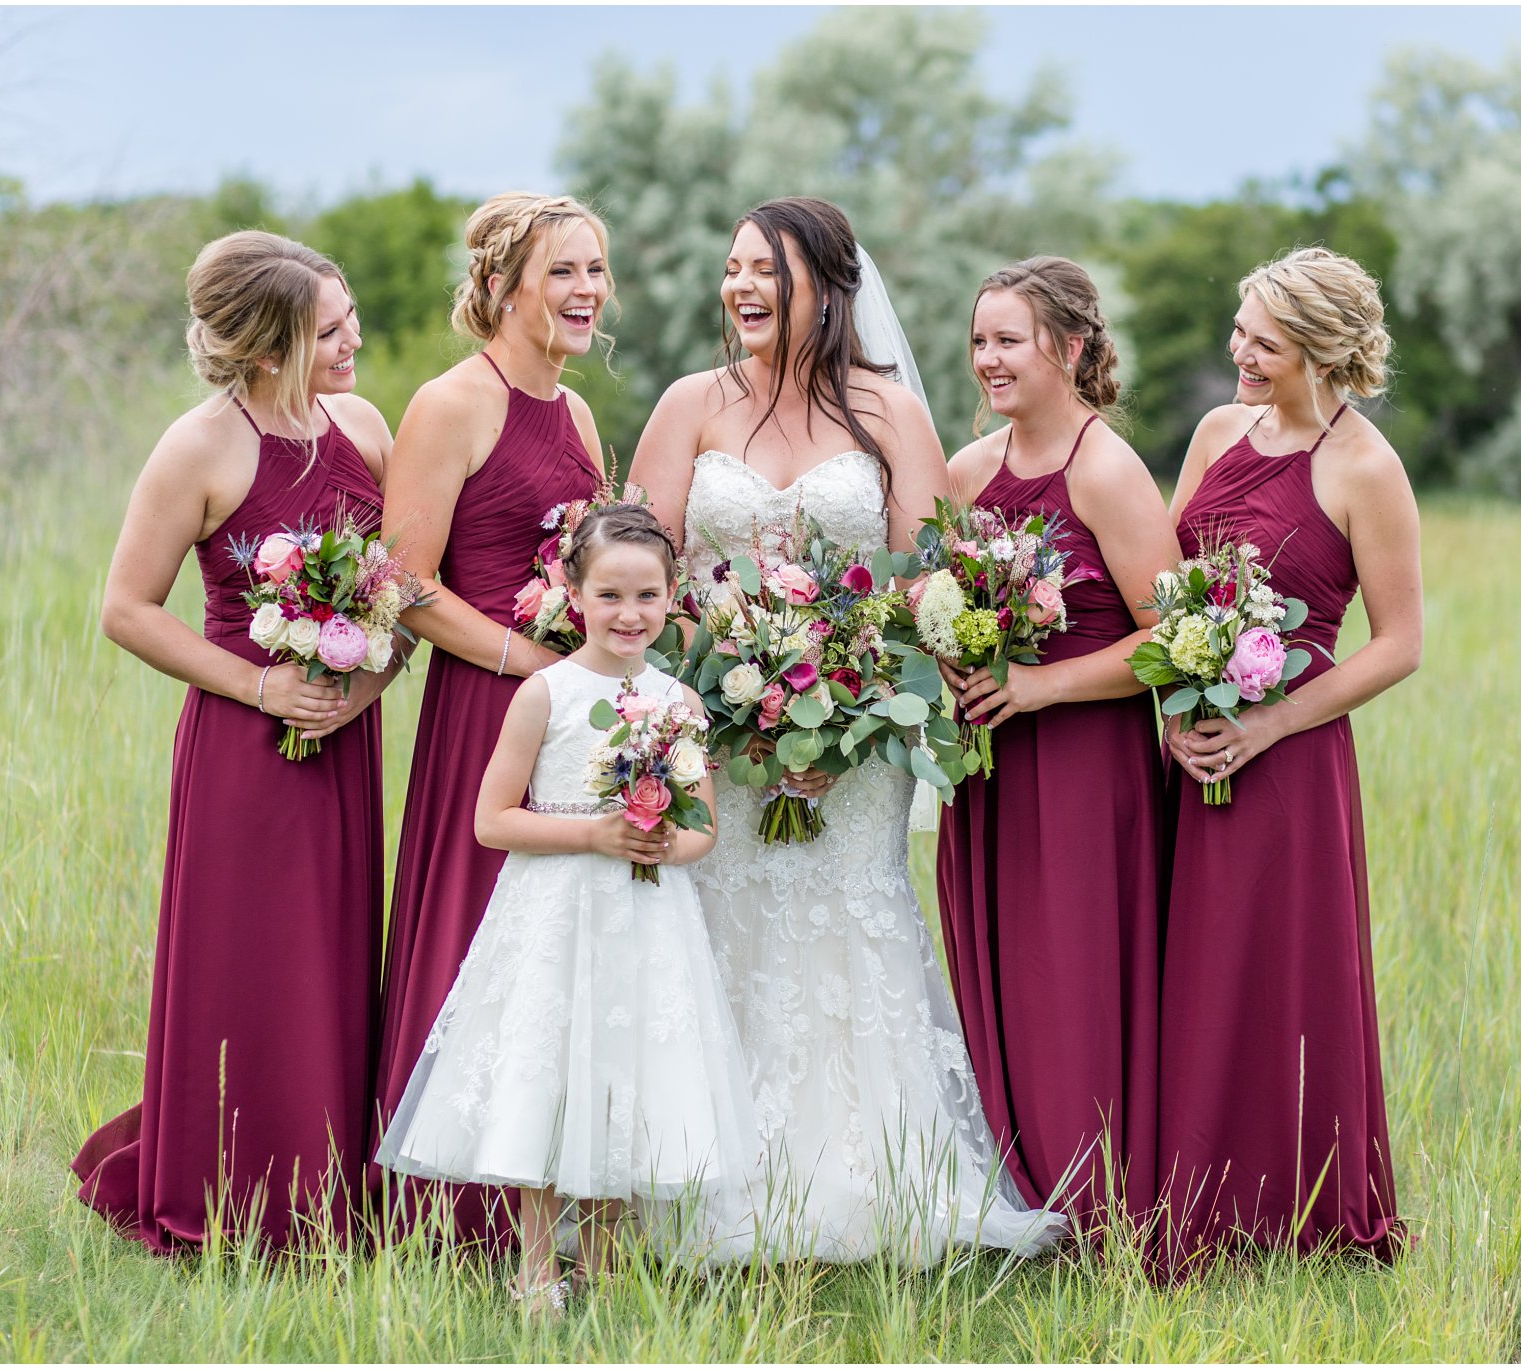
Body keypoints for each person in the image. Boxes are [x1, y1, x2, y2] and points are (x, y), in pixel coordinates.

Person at [629, 196, 1062, 1262]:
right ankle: (702, 1178)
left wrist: (843, 713)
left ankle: (863, 1181)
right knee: (720, 927)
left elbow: (924, 588)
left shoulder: (889, 414)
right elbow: (639, 564)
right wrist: (722, 689)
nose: (739, 289)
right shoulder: (690, 404)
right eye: (730, 269)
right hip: (718, 730)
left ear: (823, 287)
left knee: (842, 926)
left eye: (763, 272)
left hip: (858, 739)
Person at [71, 231, 396, 1252]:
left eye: (348, 321)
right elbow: (127, 607)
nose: (352, 342)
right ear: (267, 348)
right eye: (328, 330)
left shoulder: (364, 424)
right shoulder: (200, 446)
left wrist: (367, 681)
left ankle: (327, 1180)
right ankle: (227, 1187)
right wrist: (265, 685)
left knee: (332, 960)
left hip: (345, 737)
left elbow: (400, 588)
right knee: (250, 960)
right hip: (242, 747)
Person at [374, 505, 753, 1313]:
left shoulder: (679, 700)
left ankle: (612, 1267)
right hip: (556, 913)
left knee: (623, 1079)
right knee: (549, 1076)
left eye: (648, 596)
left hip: (646, 922)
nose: (629, 614)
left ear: (672, 596)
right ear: (573, 591)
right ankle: (538, 1268)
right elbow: (491, 820)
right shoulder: (544, 693)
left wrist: (660, 844)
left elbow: (704, 829)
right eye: (610, 593)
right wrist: (596, 832)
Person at [1155, 245, 1420, 1276]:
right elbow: (1169, 583)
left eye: (1261, 342)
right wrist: (1177, 702)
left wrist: (1266, 726)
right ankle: (1195, 1194)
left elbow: (1398, 643)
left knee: (1282, 970)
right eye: (1238, 332)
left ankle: (1301, 1204)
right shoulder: (1217, 430)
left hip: (1292, 756)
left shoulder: (1366, 468)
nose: (1238, 354)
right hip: (1190, 741)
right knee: (1197, 967)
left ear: (1317, 350)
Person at [370, 193, 611, 1247]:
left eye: (596, 271)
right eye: (563, 271)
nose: (585, 292)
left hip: (571, 719)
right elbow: (400, 584)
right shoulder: (451, 402)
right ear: (505, 286)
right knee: (479, 938)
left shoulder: (579, 413)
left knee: (563, 947)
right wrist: (530, 662)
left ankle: (546, 1192)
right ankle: (446, 1202)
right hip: (486, 711)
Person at [935, 256, 1179, 1238]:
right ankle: (1021, 1186)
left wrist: (1038, 684)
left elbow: (1169, 637)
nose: (987, 360)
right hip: (986, 768)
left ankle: (1099, 1197)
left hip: (1087, 764)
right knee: (997, 964)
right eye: (978, 341)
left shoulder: (1105, 468)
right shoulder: (964, 471)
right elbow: (935, 605)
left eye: (1008, 340)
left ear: (1069, 349)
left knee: (1074, 971)